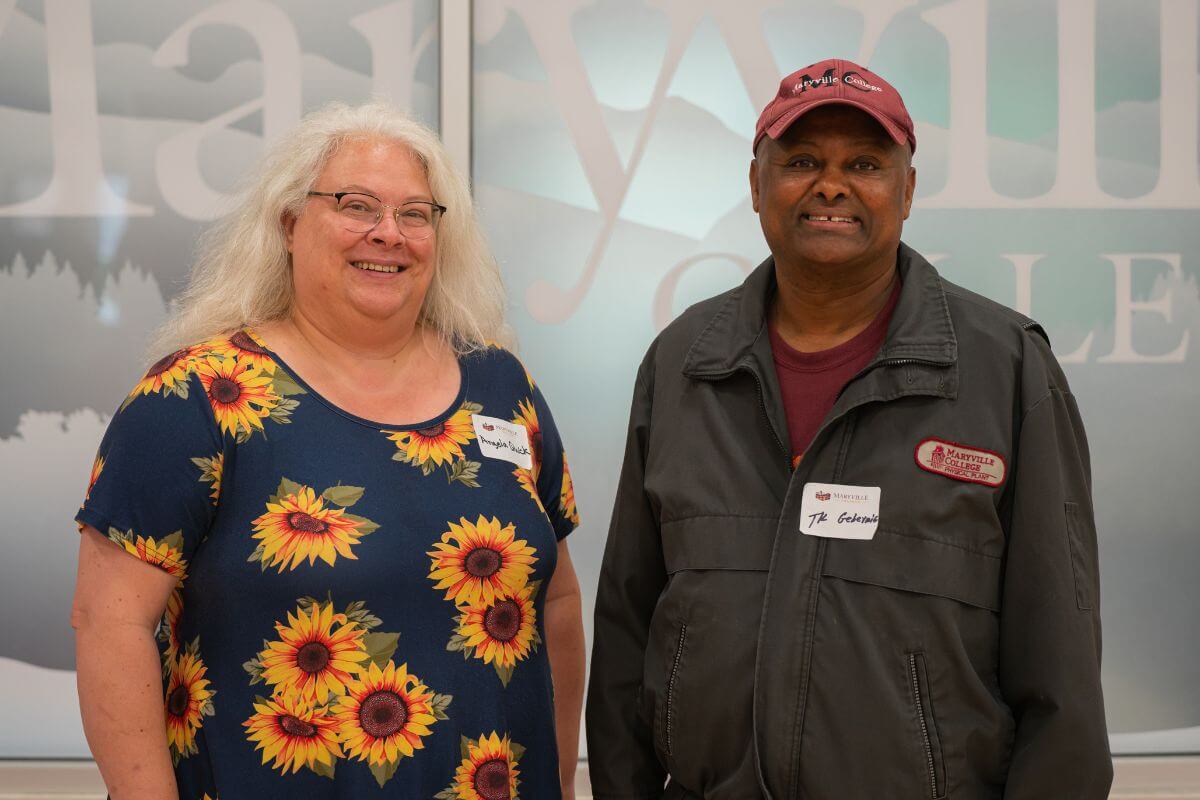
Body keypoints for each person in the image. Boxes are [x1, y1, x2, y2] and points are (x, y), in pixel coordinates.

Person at [586, 59, 1111, 799]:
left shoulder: (1007, 368)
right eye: (802, 161)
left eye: (864, 164)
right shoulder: (683, 364)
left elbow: (1061, 671)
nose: (831, 185)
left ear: (908, 190)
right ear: (756, 184)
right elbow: (626, 633)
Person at [72, 101, 585, 799]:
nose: (388, 233)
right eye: (356, 205)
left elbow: (556, 602)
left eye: (415, 214)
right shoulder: (195, 398)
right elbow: (109, 623)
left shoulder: (502, 386)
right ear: (289, 224)